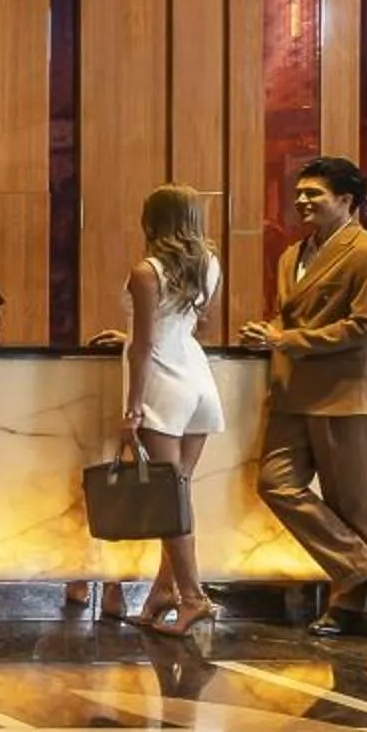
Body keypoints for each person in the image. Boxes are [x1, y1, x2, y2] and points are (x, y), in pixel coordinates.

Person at [242, 155, 367, 640]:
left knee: (353, 505)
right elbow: (298, 318)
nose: (301, 200)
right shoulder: (291, 255)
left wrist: (287, 341)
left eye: (313, 194)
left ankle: (349, 606)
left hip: (349, 394)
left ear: (346, 201)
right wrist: (273, 331)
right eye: (300, 192)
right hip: (293, 393)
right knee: (275, 484)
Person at [116, 184, 222, 636]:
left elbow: (143, 345)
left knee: (168, 500)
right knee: (176, 493)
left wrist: (132, 408)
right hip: (198, 380)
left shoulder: (146, 271)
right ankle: (165, 590)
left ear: (151, 219)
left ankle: (194, 597)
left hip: (161, 381)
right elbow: (200, 323)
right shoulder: (211, 264)